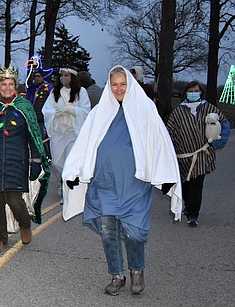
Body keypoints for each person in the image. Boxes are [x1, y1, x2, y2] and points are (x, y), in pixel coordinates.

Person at [61, 65, 182, 296]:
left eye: (123, 84)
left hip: (134, 185)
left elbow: (159, 143)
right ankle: (117, 275)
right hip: (104, 185)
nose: (119, 89)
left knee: (134, 232)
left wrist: (165, 177)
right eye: (114, 84)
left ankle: (137, 270)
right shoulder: (100, 112)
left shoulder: (145, 109)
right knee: (109, 232)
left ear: (131, 85)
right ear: (109, 85)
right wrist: (74, 172)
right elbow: (84, 145)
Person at [0, 66, 50, 253]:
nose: (6, 87)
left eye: (10, 84)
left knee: (14, 200)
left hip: (17, 161)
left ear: (15, 86)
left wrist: (36, 161)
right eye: (3, 84)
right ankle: (0, 238)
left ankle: (25, 224)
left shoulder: (24, 107)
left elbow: (33, 136)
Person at [166, 81, 231, 227]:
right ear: (186, 93)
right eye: (190, 90)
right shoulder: (178, 111)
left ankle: (193, 215)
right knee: (185, 184)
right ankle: (188, 205)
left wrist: (217, 143)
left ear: (201, 92)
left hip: (201, 154)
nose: (193, 93)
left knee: (197, 184)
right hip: (183, 156)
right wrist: (168, 150)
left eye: (196, 90)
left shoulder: (209, 108)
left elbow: (224, 123)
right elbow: (169, 131)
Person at [42, 67, 91, 195]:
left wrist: (72, 110)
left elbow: (86, 111)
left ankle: (68, 187)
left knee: (71, 159)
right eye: (62, 75)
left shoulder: (81, 92)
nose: (64, 77)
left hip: (73, 132)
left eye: (67, 75)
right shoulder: (55, 93)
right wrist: (55, 114)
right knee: (57, 162)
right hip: (59, 133)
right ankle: (62, 180)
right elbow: (46, 110)